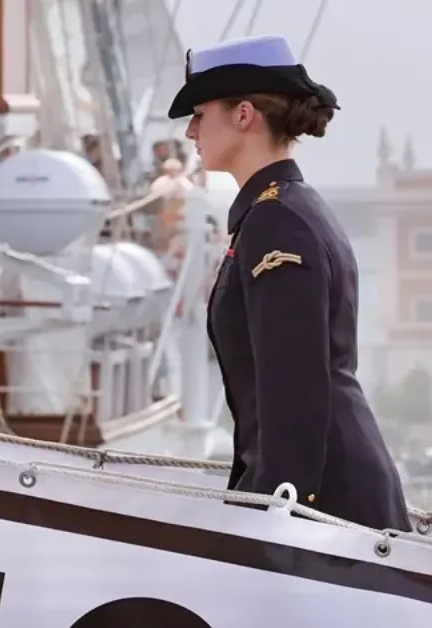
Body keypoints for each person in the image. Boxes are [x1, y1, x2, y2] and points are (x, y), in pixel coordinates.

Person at [168, 34, 411, 531]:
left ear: (243, 115)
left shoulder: (278, 221)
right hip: (314, 489)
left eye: (200, 113)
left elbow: (293, 389)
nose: (191, 130)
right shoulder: (280, 210)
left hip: (324, 502)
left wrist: (279, 515)